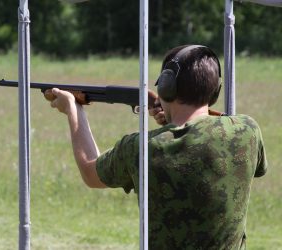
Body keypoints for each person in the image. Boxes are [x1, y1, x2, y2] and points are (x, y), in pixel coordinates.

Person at [46, 45, 267, 249]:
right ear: (215, 90)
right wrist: (173, 124)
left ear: (166, 86)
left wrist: (73, 111)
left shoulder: (140, 147)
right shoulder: (247, 130)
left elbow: (89, 171)